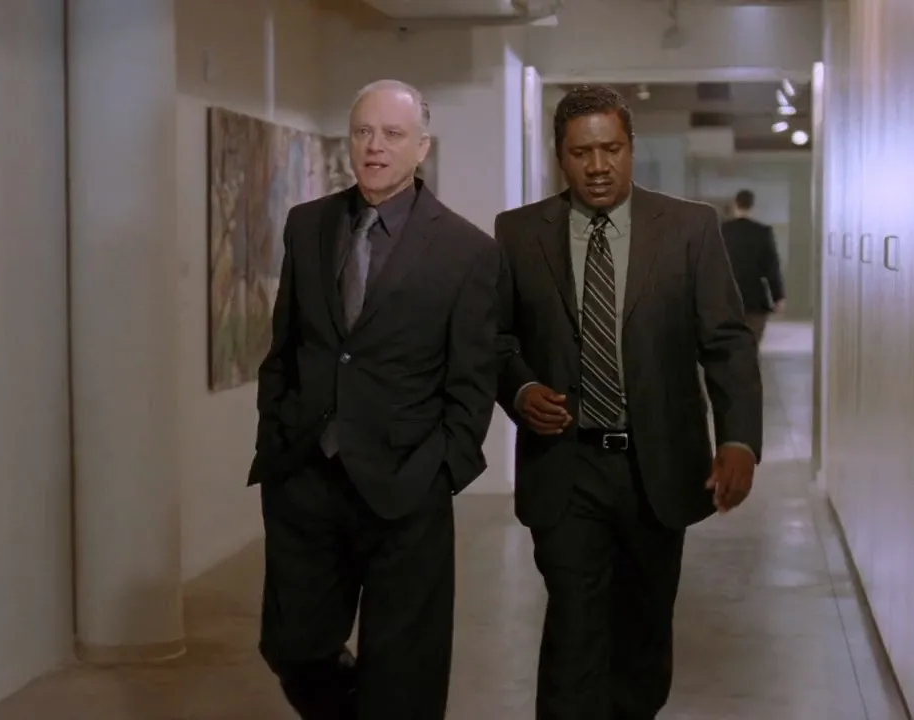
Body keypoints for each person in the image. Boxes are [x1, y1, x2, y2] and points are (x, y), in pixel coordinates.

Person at [493, 85, 764, 719]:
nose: (598, 166)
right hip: (566, 466)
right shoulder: (518, 232)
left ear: (631, 148)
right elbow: (495, 339)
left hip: (656, 467)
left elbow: (726, 341)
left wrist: (738, 439)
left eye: (611, 149)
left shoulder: (689, 228)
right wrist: (521, 388)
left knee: (642, 637)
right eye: (581, 152)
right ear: (560, 156)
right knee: (574, 633)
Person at [248, 79, 501, 719]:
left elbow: (472, 381)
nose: (375, 147)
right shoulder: (309, 225)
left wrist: (441, 471)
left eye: (392, 134)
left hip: (406, 487)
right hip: (308, 476)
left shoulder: (467, 251)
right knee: (293, 648)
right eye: (363, 132)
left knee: (404, 679)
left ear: (422, 148)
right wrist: (277, 441)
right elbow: (285, 348)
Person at [720, 189, 786, 343]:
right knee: (752, 344)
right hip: (755, 299)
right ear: (752, 206)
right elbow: (772, 267)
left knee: (729, 345)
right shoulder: (763, 232)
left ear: (735, 204)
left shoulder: (721, 231)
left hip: (726, 298)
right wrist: (778, 296)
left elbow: (709, 266)